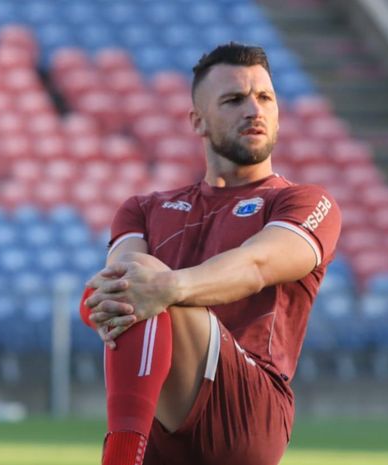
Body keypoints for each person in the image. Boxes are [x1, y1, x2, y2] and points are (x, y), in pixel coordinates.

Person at [79, 42, 342, 465]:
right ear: (197, 121)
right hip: (161, 413)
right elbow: (118, 289)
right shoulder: (142, 209)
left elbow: (256, 265)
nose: (254, 110)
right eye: (234, 99)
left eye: (265, 98)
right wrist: (111, 300)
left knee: (147, 279)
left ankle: (120, 455)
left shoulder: (304, 203)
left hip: (246, 412)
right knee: (135, 278)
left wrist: (169, 287)